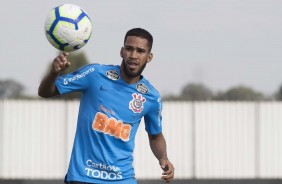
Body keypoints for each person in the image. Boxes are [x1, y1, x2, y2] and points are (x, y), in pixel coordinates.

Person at [38, 28, 174, 184]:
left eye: (140, 51)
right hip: (83, 176)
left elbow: (155, 135)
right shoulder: (94, 74)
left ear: (149, 57)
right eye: (129, 49)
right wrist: (53, 73)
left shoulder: (151, 97)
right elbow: (45, 92)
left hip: (122, 178)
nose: (133, 55)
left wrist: (163, 158)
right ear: (122, 51)